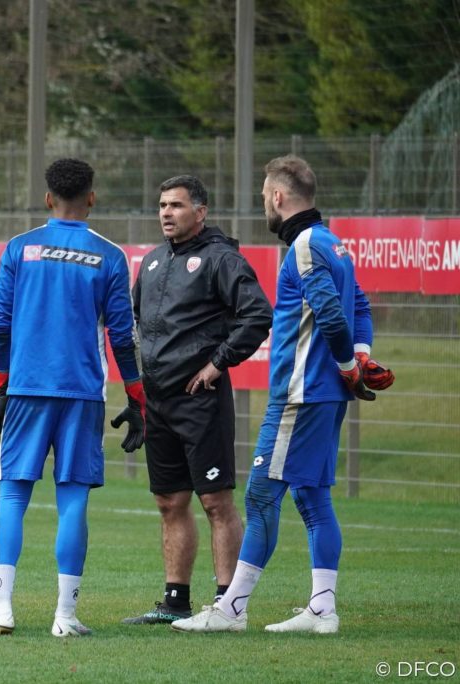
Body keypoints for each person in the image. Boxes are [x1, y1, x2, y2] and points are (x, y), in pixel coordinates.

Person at [172, 155, 394, 634]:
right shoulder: (335, 244)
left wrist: (347, 366)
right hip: (324, 394)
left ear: (277, 197)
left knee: (260, 496)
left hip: (301, 395)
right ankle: (322, 609)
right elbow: (360, 306)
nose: (263, 207)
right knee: (313, 498)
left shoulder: (307, 245)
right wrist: (357, 357)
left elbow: (334, 313)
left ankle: (231, 610)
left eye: (263, 198)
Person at [0, 158, 146, 638]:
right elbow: (122, 337)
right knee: (73, 501)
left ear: (47, 198)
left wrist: (1, 388)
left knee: (12, 494)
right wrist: (136, 395)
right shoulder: (109, 255)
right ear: (91, 197)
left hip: (25, 390)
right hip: (83, 394)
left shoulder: (19, 249)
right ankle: (64, 616)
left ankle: (2, 608)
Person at [122, 175, 272, 625]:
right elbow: (136, 326)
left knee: (216, 502)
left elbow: (258, 315)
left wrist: (217, 363)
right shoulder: (149, 263)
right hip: (158, 403)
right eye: (162, 205)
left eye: (177, 206)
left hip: (201, 400)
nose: (166, 213)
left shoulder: (221, 259)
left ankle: (231, 605)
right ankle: (175, 602)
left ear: (200, 212)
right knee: (170, 502)